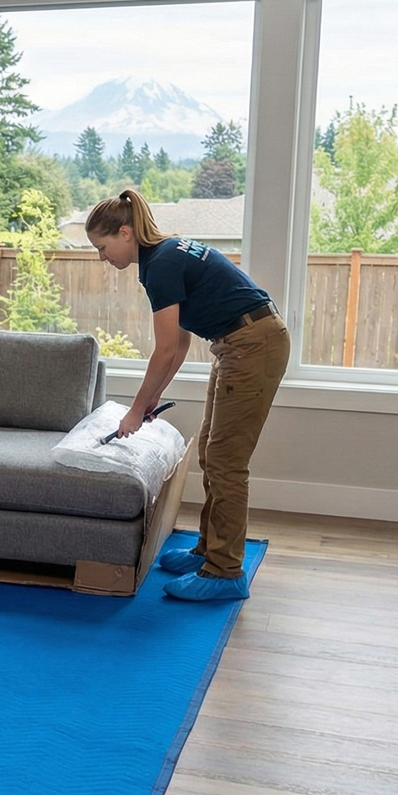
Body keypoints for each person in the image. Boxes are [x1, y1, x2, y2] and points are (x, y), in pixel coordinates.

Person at [86, 188, 289, 602]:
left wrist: (135, 410)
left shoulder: (160, 264)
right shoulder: (164, 256)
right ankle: (208, 551)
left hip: (251, 344)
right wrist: (146, 406)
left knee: (226, 462)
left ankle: (225, 571)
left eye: (102, 247)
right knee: (211, 455)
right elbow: (177, 348)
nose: (102, 258)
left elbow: (164, 350)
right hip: (238, 342)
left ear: (125, 233)